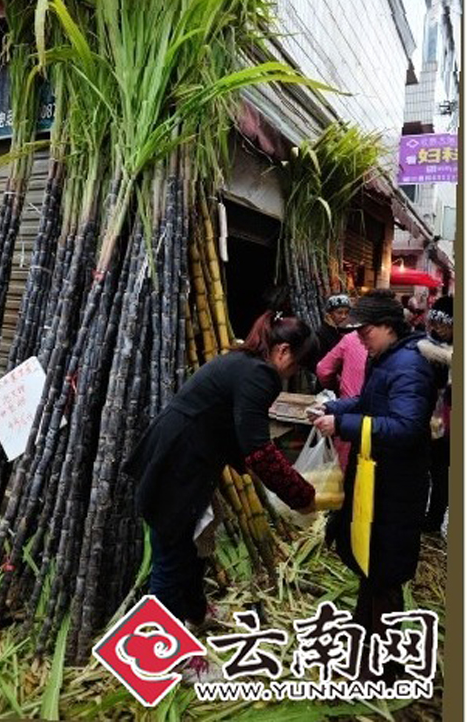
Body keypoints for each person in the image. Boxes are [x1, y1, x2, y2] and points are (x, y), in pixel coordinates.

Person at [125, 312, 317, 626]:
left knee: (190, 548)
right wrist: (301, 494)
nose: (291, 374)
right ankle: (164, 655)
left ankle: (196, 615)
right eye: (296, 365)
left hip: (182, 456)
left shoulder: (243, 362)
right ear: (283, 351)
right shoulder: (260, 375)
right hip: (179, 463)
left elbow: (236, 432)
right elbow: (259, 450)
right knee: (171, 558)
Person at [311, 289, 438, 683]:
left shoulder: (410, 366)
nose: (359, 337)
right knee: (372, 565)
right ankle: (366, 644)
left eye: (364, 330)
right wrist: (334, 408)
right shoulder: (383, 357)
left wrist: (344, 426)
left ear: (387, 326)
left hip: (396, 485)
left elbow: (406, 427)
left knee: (385, 569)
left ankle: (385, 665)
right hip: (376, 479)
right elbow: (368, 404)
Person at [418, 296, 453, 534]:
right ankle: (422, 515)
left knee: (440, 472)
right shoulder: (425, 346)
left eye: (443, 324)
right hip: (426, 417)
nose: (438, 328)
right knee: (423, 469)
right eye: (435, 323)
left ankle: (434, 519)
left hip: (446, 422)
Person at [315, 329, 368, 469]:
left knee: (344, 474)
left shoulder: (351, 339)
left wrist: (337, 388)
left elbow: (323, 370)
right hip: (372, 423)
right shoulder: (397, 348)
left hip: (348, 418)